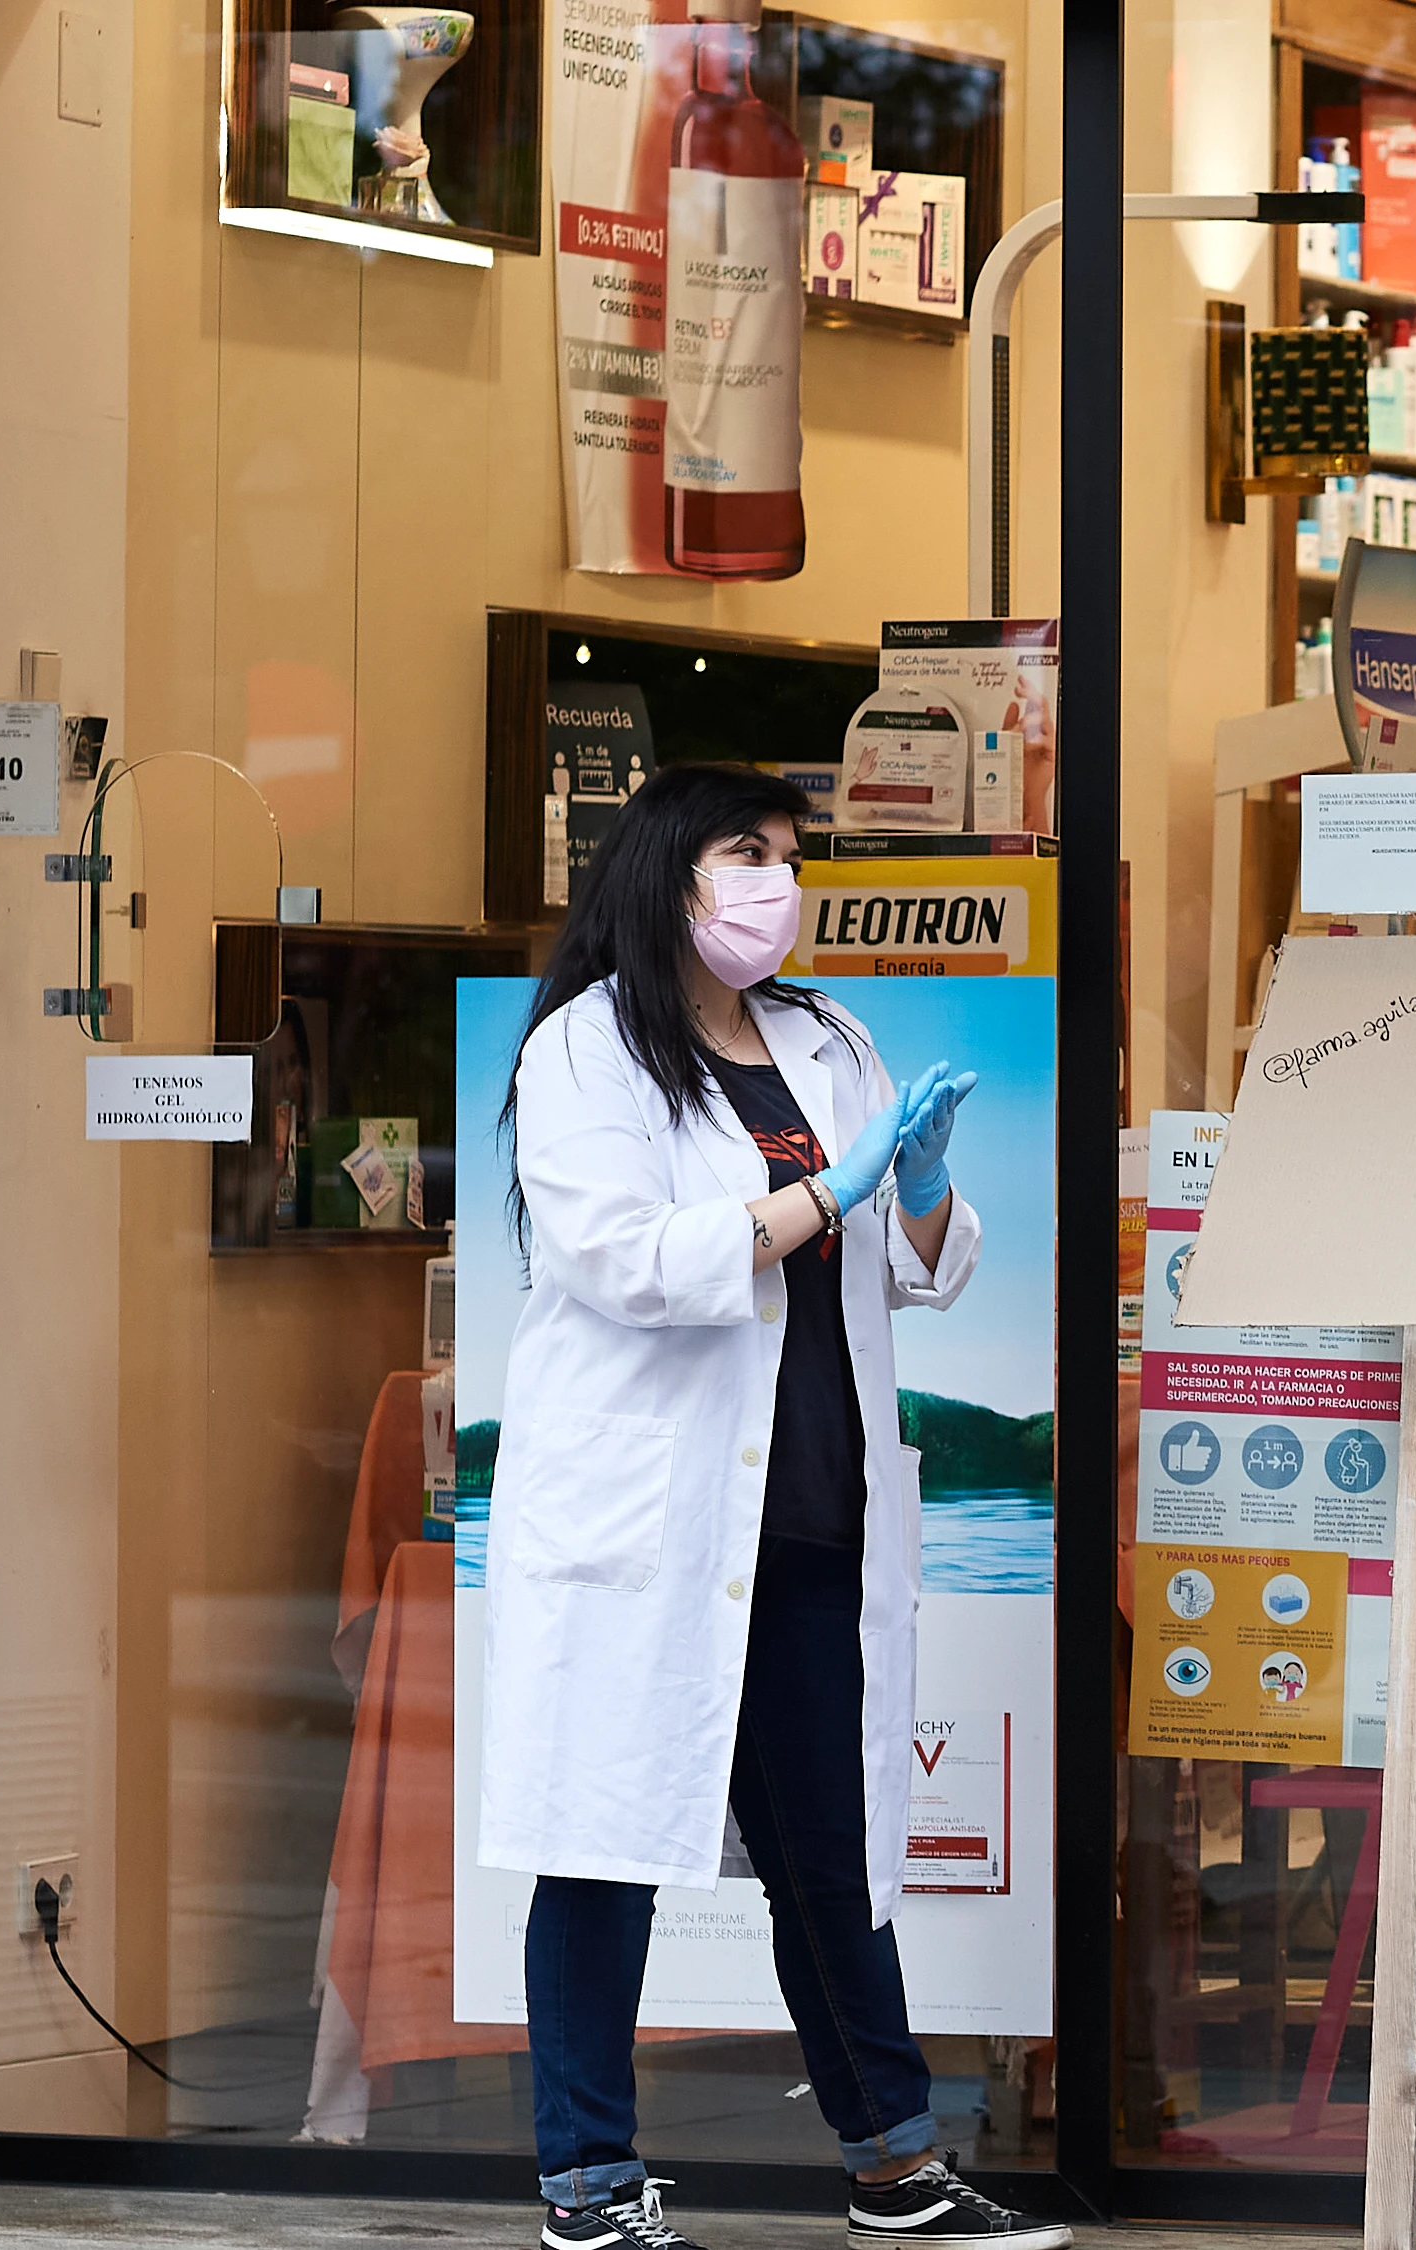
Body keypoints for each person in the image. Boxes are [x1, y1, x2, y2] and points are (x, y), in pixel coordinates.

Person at [482, 765, 1063, 2250]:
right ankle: (589, 2184)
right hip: (649, 1532)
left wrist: (916, 1184)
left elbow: (925, 1266)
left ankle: (895, 2167)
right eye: (750, 852)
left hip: (815, 1512)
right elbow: (628, 1260)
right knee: (608, 1845)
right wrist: (826, 1193)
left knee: (832, 1856)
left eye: (790, 857)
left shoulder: (827, 1035)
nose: (776, 884)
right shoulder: (586, 1050)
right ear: (672, 866)